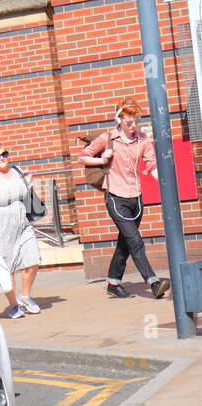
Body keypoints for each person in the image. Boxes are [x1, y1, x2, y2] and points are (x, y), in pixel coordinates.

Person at [79, 98, 171, 299]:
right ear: (119, 119)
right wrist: (102, 159)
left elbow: (152, 164)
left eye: (135, 120)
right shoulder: (108, 138)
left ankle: (113, 282)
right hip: (115, 197)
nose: (132, 125)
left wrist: (166, 187)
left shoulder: (143, 139)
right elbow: (83, 156)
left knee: (125, 241)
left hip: (136, 197)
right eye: (128, 121)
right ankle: (153, 282)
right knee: (135, 240)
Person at [0, 141, 42, 319]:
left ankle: (25, 296)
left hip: (22, 223)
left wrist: (28, 183)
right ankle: (13, 305)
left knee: (32, 259)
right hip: (0, 225)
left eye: (4, 154)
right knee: (8, 268)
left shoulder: (17, 171)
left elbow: (23, 193)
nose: (1, 158)